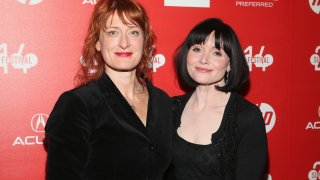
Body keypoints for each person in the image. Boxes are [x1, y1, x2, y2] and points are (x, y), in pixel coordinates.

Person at [45, 0, 173, 179]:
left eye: (134, 32)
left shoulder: (163, 102)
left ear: (144, 41)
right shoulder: (78, 104)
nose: (124, 43)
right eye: (113, 33)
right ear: (97, 42)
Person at [165, 18, 268, 180]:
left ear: (230, 64)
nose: (204, 59)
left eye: (216, 53)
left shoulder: (247, 117)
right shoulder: (170, 108)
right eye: (197, 49)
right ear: (187, 55)